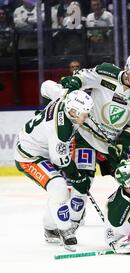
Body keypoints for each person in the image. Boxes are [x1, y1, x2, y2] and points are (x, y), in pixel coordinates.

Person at [40, 52, 130, 234]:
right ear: (127, 69)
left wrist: (124, 139)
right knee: (81, 184)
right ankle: (64, 226)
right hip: (87, 137)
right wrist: (75, 83)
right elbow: (81, 78)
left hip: (115, 144)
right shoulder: (105, 72)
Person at [14, 90, 94, 251]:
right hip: (29, 157)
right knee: (58, 187)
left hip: (43, 149)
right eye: (84, 114)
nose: (86, 117)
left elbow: (45, 86)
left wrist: (64, 89)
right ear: (73, 111)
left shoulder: (64, 96)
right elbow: (60, 159)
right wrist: (78, 178)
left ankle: (50, 228)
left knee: (56, 189)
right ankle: (65, 231)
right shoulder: (61, 130)